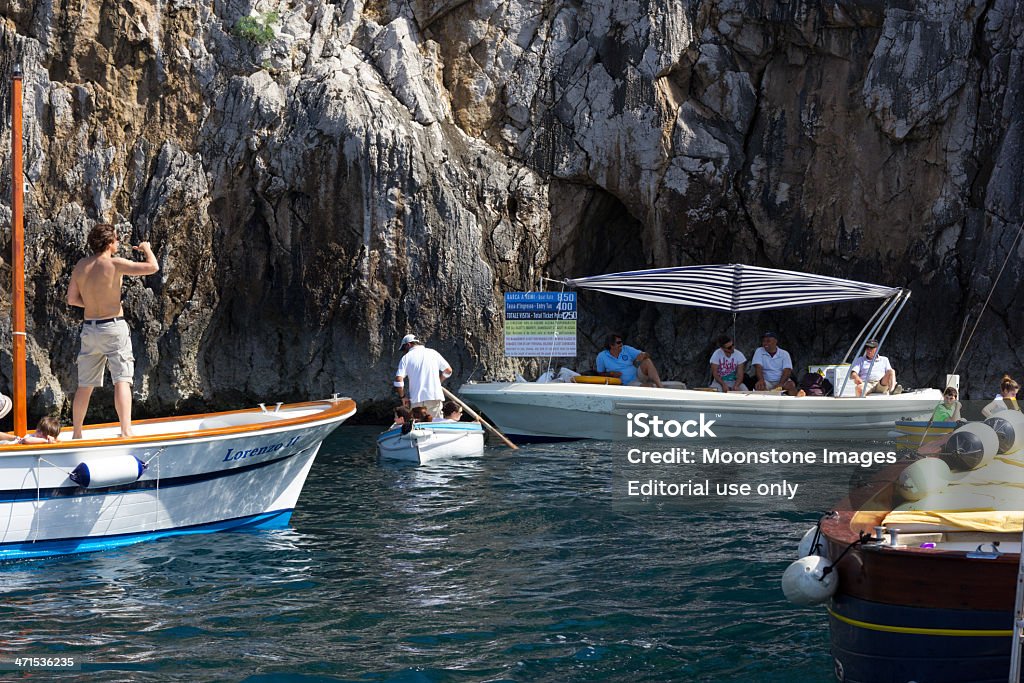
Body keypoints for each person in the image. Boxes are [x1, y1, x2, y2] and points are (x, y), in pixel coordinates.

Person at [67, 223, 159, 439]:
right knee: (122, 379)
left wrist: (90, 304)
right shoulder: (115, 264)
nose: (118, 243)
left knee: (85, 385)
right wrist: (146, 248)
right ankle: (126, 431)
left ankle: (77, 434)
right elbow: (153, 267)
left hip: (90, 329)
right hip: (113, 326)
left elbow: (72, 299)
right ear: (109, 243)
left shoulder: (81, 265)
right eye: (116, 239)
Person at [395, 334, 453, 419]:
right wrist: (438, 382)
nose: (404, 352)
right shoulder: (433, 353)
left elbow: (398, 380)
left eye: (404, 349)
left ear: (408, 345)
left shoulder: (406, 358)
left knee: (418, 428)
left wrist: (403, 397)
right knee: (435, 427)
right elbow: (448, 371)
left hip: (416, 400)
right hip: (434, 397)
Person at [596, 334, 668, 388]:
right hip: (626, 383)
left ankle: (660, 386)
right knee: (647, 387)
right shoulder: (602, 356)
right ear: (611, 345)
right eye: (618, 342)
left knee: (647, 361)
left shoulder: (626, 349)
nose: (621, 344)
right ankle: (652, 387)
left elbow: (646, 354)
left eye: (621, 341)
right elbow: (600, 374)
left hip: (637, 375)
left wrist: (644, 355)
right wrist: (611, 374)